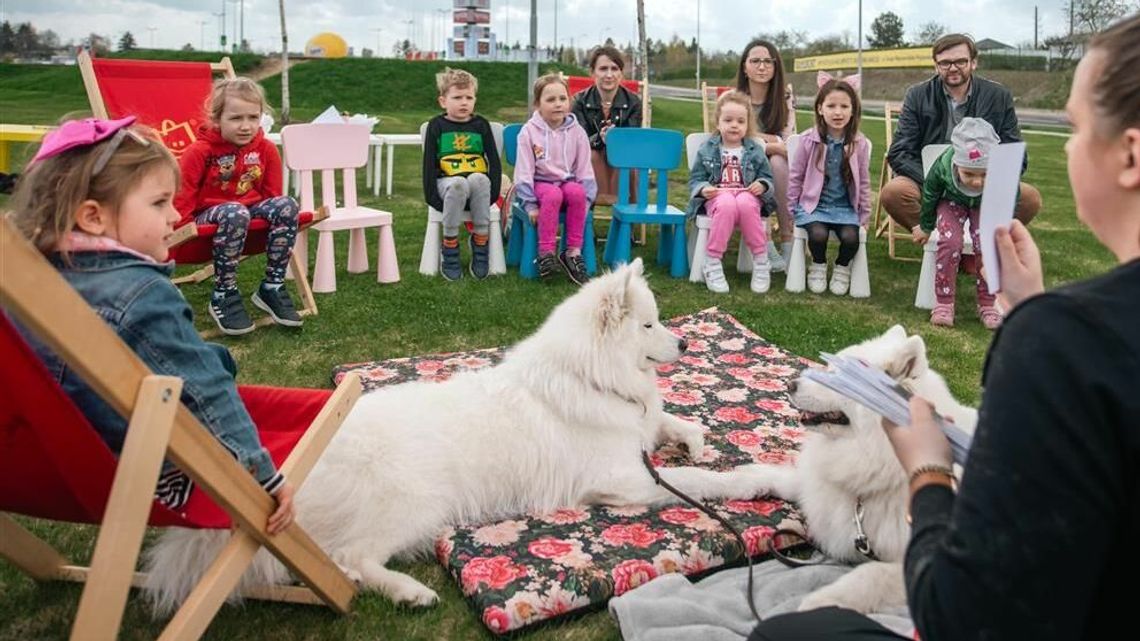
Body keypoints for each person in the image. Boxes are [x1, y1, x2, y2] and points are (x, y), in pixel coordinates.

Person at [750, 14, 1140, 640]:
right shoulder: (1066, 335)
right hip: (934, 185)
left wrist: (928, 473)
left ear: (1129, 154)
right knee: (902, 193)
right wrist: (1028, 307)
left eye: (1074, 129)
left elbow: (962, 610)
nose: (1067, 148)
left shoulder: (1063, 346)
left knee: (784, 635)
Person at [6, 116, 296, 534]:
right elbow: (205, 391)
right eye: (159, 203)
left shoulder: (25, 280)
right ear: (92, 217)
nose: (176, 215)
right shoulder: (141, 294)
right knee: (214, 365)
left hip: (39, 469)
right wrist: (262, 474)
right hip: (137, 471)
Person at [174, 77, 302, 336]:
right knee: (235, 211)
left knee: (287, 204)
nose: (246, 126)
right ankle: (223, 292)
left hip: (248, 217)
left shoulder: (265, 149)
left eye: (253, 117)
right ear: (216, 118)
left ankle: (272, 287)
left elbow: (272, 195)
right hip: (206, 220)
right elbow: (182, 196)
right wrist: (178, 238)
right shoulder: (199, 152)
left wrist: (264, 230)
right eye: (236, 118)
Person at [882, 33, 1042, 238]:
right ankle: (939, 242)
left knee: (1029, 198)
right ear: (936, 65)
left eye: (960, 61)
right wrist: (940, 181)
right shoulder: (917, 95)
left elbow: (1014, 153)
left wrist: (987, 179)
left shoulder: (998, 96)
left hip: (979, 179)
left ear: (973, 62)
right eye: (945, 63)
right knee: (893, 193)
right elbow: (899, 152)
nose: (953, 68)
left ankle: (979, 246)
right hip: (929, 178)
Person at [915, 117, 1005, 329]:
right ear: (957, 163)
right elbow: (930, 194)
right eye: (969, 174)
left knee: (988, 244)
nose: (976, 181)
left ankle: (988, 302)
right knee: (950, 242)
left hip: (984, 204)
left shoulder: (1000, 171)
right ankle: (944, 303)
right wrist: (926, 226)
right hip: (952, 201)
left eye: (984, 174)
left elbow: (1011, 195)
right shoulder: (943, 167)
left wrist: (1004, 224)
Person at [787, 73, 871, 296]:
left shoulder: (858, 144)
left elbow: (863, 182)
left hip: (844, 208)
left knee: (851, 238)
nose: (838, 112)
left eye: (844, 106)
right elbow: (795, 176)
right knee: (817, 235)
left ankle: (842, 268)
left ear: (853, 110)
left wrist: (865, 214)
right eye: (831, 105)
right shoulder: (808, 140)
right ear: (819, 108)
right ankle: (818, 264)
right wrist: (793, 207)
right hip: (813, 206)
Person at [687, 90, 774, 294]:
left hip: (746, 195)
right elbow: (696, 179)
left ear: (747, 125)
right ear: (718, 123)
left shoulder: (754, 150)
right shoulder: (707, 149)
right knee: (726, 203)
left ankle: (761, 260)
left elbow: (767, 177)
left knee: (746, 202)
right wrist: (703, 188)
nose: (734, 125)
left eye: (740, 121)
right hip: (718, 197)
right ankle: (713, 261)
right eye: (728, 120)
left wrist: (762, 185)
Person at [513, 73, 597, 285]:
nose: (558, 104)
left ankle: (572, 253)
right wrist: (530, 204)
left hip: (567, 182)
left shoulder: (577, 132)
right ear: (537, 104)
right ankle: (546, 253)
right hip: (540, 184)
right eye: (550, 100)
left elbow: (584, 169)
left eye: (562, 98)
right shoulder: (528, 133)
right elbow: (523, 171)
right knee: (552, 194)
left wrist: (586, 201)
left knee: (577, 192)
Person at [422, 67, 502, 281]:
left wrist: (492, 196)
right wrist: (434, 200)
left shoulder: (481, 125)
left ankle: (480, 242)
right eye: (457, 97)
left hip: (478, 190)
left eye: (469, 97)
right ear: (443, 101)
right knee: (458, 183)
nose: (464, 102)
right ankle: (449, 246)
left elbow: (494, 162)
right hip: (447, 185)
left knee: (479, 178)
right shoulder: (436, 126)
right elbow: (429, 165)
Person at [735, 38, 797, 272]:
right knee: (769, 158)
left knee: (780, 163)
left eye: (768, 62)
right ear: (745, 67)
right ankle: (765, 242)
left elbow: (788, 138)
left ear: (775, 66)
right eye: (755, 61)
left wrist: (760, 140)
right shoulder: (736, 98)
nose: (762, 67)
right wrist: (768, 143)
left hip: (777, 162)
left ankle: (787, 239)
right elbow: (737, 137)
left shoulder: (785, 97)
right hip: (740, 164)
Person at [571, 45, 642, 206]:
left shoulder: (634, 102)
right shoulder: (579, 101)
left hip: (622, 158)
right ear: (593, 72)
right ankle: (583, 215)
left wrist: (614, 139)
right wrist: (601, 138)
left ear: (621, 73)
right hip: (589, 157)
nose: (609, 75)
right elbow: (579, 140)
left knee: (629, 162)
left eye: (614, 68)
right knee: (592, 156)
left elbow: (632, 139)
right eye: (603, 69)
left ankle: (627, 223)